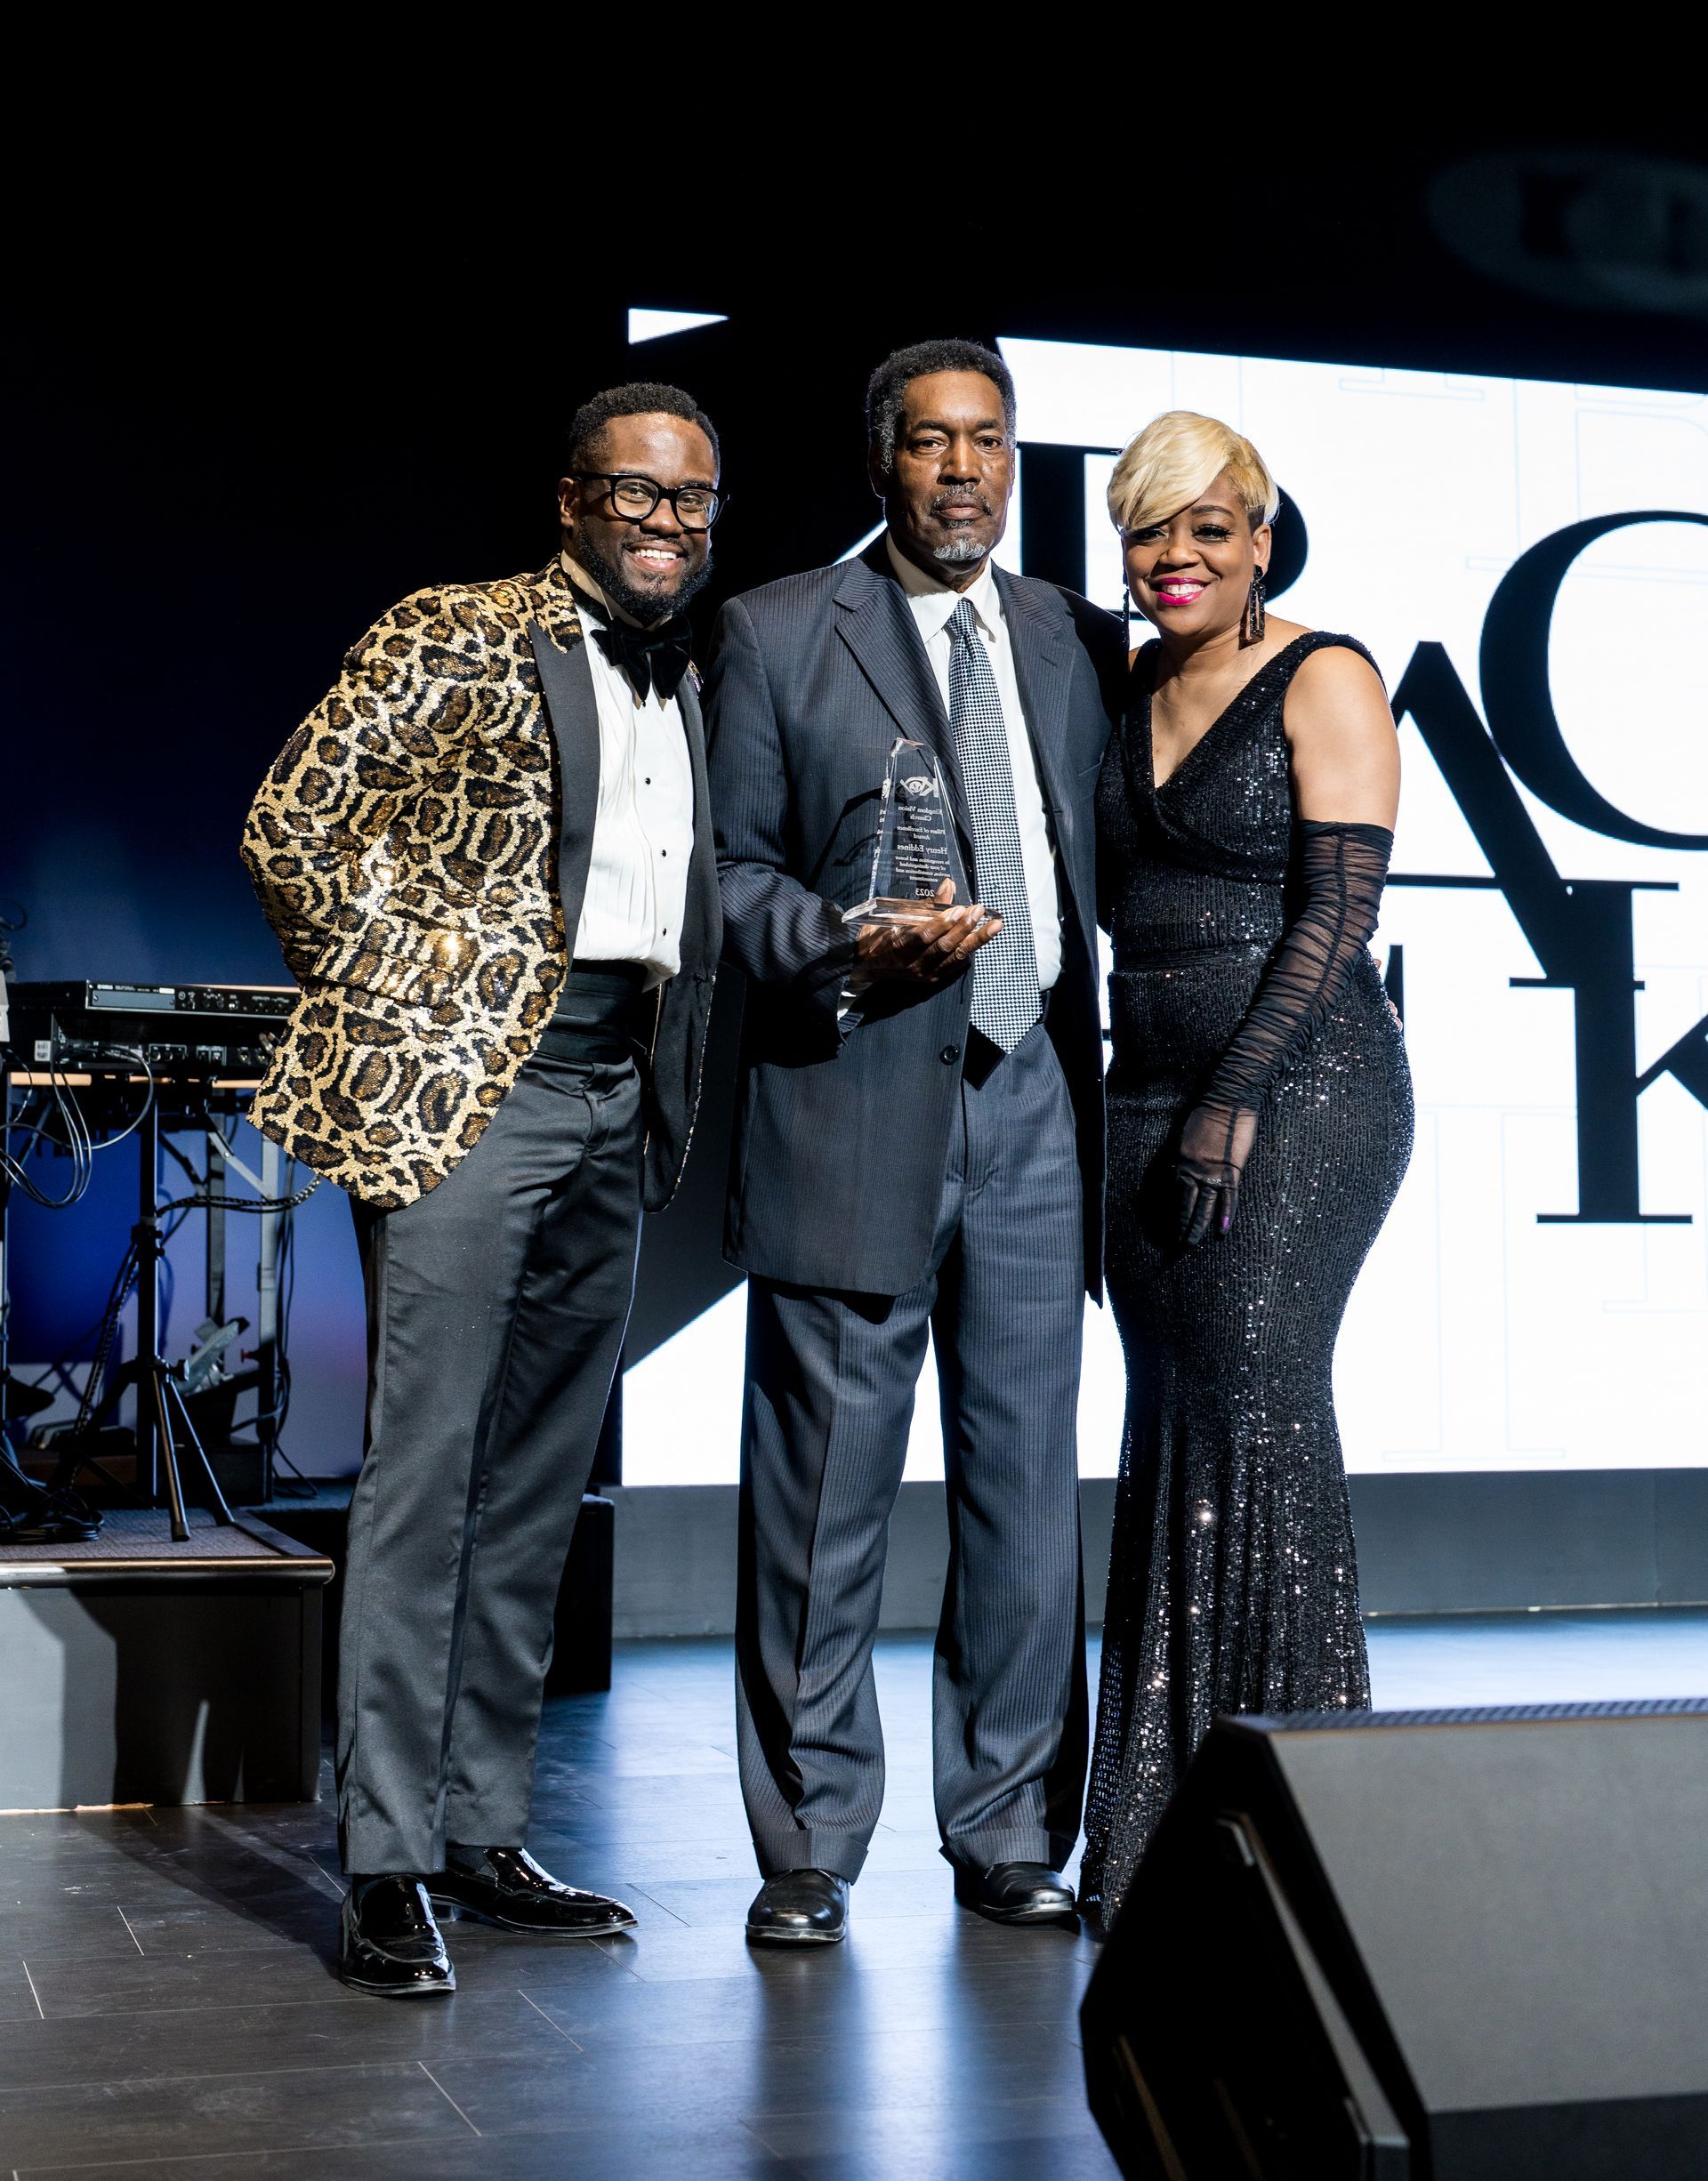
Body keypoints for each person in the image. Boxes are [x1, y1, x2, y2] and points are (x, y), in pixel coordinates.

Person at [241, 382, 723, 1996]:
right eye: (640, 496)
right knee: (425, 1472)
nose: (669, 524)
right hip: (478, 1097)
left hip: (617, 1091)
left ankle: (479, 1825)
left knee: (535, 1484)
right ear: (575, 500)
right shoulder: (459, 627)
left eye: (694, 503)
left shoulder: (690, 677)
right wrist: (418, 1006)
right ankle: (382, 1861)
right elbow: (293, 826)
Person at [705, 338, 1125, 1946]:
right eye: (934, 444)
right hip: (855, 1083)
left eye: (993, 445)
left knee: (1027, 1497)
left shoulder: (1070, 637)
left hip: (1034, 1103)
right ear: (881, 461)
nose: (966, 472)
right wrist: (841, 939)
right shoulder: (774, 633)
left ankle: (1010, 1827)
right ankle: (808, 1842)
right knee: (823, 1503)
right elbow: (723, 872)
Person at [1081, 411, 1413, 1929]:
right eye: (1150, 532)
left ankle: (1299, 1826)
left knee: (1261, 1403)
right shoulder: (1132, 677)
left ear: (1263, 538)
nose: (1176, 558)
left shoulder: (1326, 672)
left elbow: (1338, 912)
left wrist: (1236, 1095)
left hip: (1301, 1094)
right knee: (1176, 1424)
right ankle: (1159, 1819)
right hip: (1136, 1092)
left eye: (1208, 529)